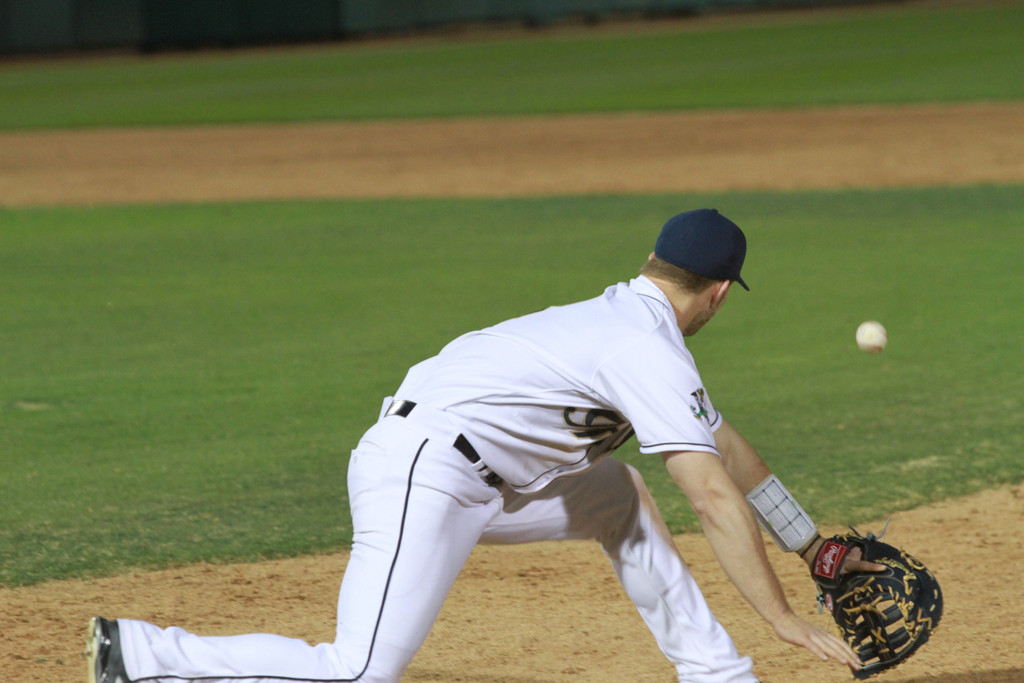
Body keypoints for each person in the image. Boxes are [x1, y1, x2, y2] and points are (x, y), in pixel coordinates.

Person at [88, 208, 879, 683]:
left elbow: (727, 450)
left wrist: (812, 548)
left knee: (621, 496)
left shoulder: (629, 321)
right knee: (361, 668)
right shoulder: (644, 349)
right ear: (717, 292)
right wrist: (780, 617)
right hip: (422, 473)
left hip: (474, 474)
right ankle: (145, 655)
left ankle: (718, 672)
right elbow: (708, 493)